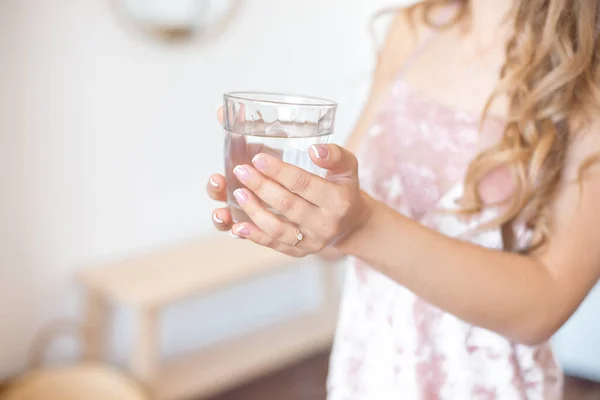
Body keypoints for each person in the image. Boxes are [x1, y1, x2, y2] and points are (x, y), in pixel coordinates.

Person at [207, 0, 600, 398]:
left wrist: (362, 225)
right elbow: (336, 233)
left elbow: (545, 304)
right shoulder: (414, 29)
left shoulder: (589, 74)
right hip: (372, 371)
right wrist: (295, 202)